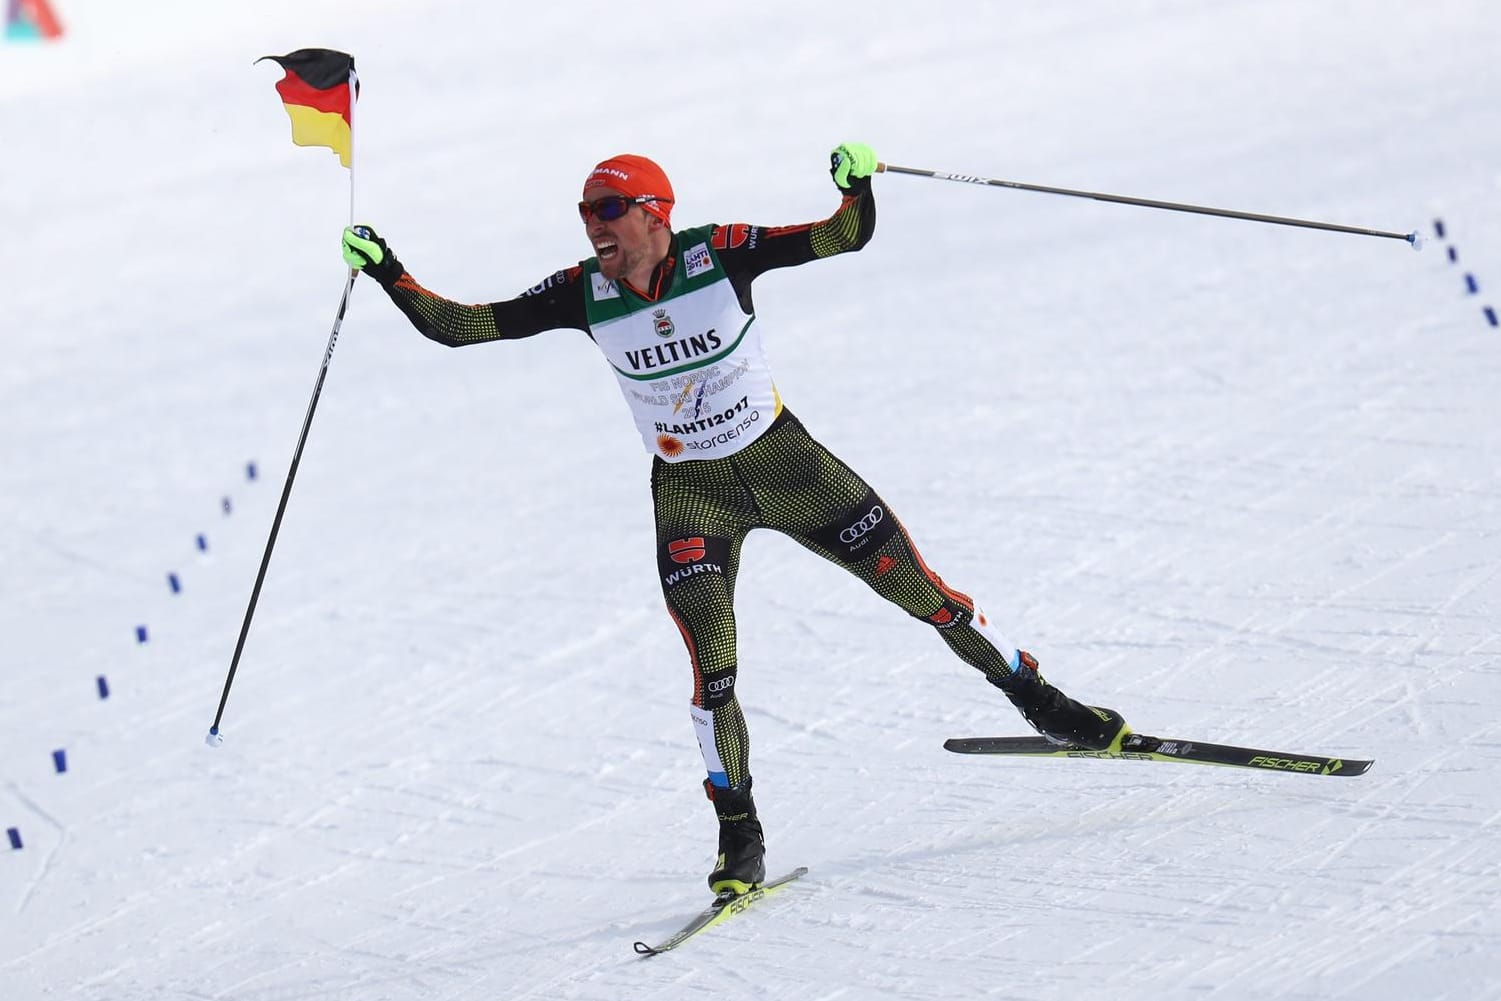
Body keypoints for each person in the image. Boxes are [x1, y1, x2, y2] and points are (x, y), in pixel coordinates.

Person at [339, 144, 1127, 898]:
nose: (592, 223)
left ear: (655, 213)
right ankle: (738, 831)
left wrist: (856, 185)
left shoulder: (716, 253)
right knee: (711, 671)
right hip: (693, 496)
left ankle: (1041, 700)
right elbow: (463, 325)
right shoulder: (582, 291)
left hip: (792, 471)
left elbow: (839, 237)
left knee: (927, 596)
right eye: (585, 210)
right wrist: (388, 271)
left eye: (608, 208)